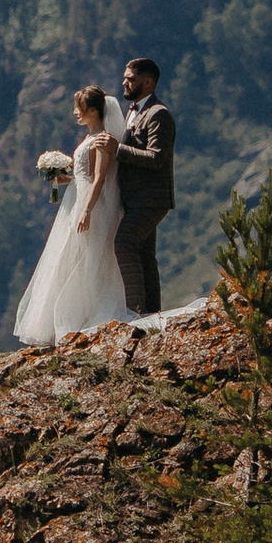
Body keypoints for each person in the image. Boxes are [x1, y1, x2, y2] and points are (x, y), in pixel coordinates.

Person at [14, 84, 128, 346]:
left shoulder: (101, 140)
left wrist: (87, 209)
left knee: (85, 258)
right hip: (77, 200)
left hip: (90, 204)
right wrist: (59, 178)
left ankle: (82, 316)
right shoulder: (89, 138)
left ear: (92, 111)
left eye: (80, 108)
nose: (76, 113)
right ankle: (65, 319)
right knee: (69, 257)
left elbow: (99, 177)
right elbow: (81, 176)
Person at [116, 55, 177, 317]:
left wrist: (117, 150)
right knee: (144, 254)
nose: (124, 83)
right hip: (135, 199)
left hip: (151, 199)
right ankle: (152, 314)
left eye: (130, 79)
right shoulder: (133, 111)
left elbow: (156, 158)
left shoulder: (158, 114)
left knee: (124, 243)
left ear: (148, 82)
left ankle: (136, 311)